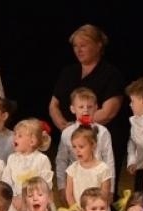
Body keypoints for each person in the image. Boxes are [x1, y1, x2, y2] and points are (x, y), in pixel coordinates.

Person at [46, 24, 127, 173]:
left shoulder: (111, 74)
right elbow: (53, 105)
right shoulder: (68, 72)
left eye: (83, 45)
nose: (78, 50)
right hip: (73, 139)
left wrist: (79, 125)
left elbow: (108, 112)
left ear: (98, 45)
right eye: (75, 46)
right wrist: (65, 126)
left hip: (101, 139)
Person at [54, 89, 115, 188]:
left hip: (98, 181)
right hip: (76, 182)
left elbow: (109, 160)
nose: (85, 110)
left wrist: (111, 188)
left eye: (90, 107)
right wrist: (62, 186)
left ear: (96, 108)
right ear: (73, 109)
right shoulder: (67, 133)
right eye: (81, 107)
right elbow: (61, 160)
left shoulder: (103, 132)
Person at [62, 128, 113, 211]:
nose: (77, 150)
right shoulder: (72, 169)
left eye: (81, 147)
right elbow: (69, 195)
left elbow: (105, 196)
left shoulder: (103, 169)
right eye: (74, 147)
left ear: (93, 146)